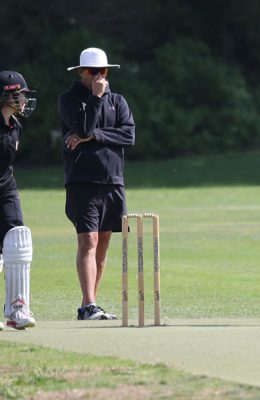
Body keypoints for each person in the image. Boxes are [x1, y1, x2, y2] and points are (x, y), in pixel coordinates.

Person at [58, 47, 135, 320]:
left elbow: (128, 136)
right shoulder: (69, 100)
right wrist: (96, 98)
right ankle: (90, 303)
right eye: (94, 72)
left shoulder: (119, 100)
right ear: (81, 73)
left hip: (113, 180)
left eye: (103, 71)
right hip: (82, 181)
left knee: (103, 241)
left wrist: (93, 137)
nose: (100, 76)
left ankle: (88, 305)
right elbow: (84, 127)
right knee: (87, 239)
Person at [0, 71, 37, 330]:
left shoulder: (16, 125)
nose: (24, 99)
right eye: (20, 94)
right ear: (6, 95)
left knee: (18, 240)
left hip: (6, 188)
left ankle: (17, 307)